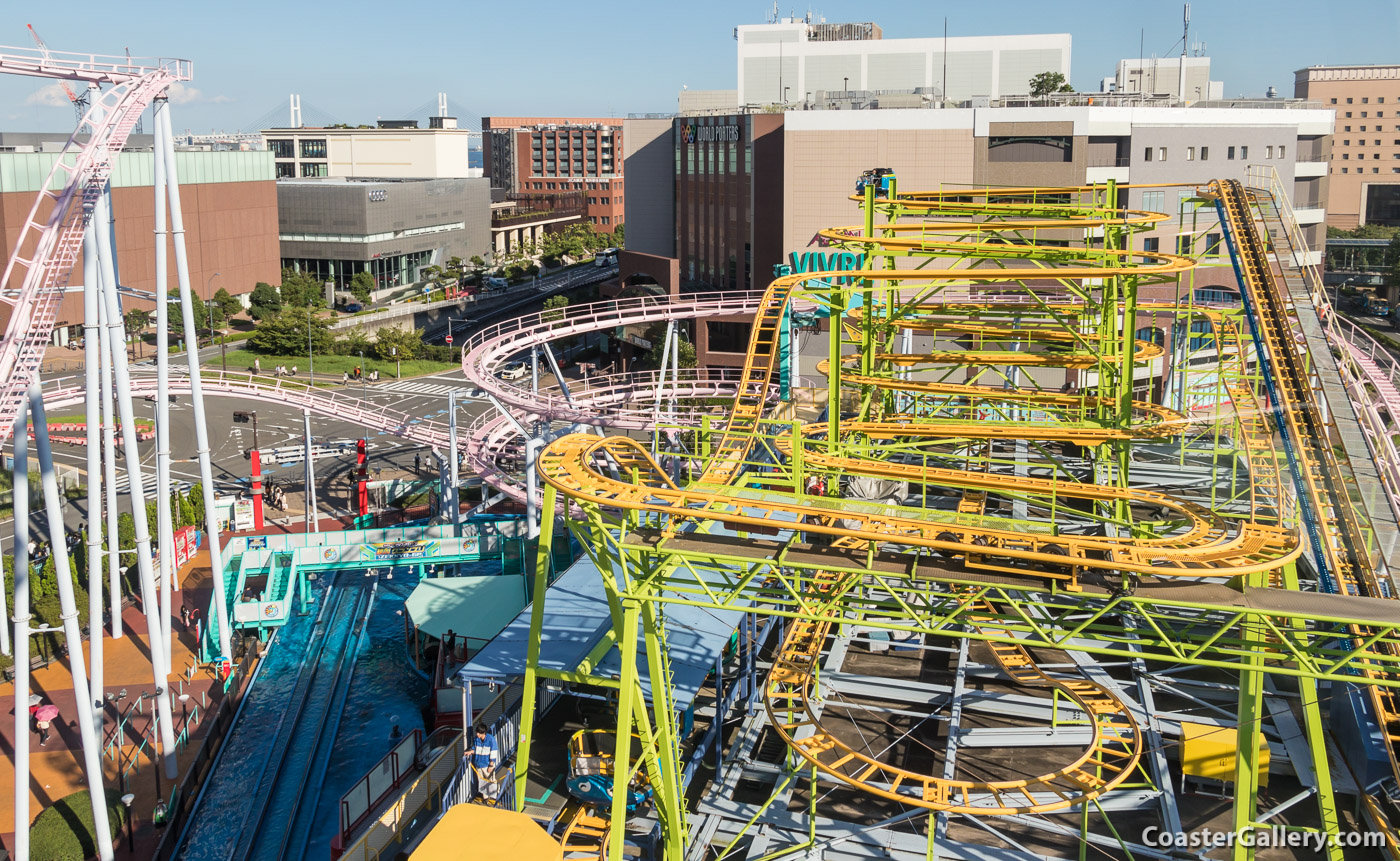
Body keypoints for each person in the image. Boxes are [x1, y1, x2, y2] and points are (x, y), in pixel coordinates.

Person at [470, 724, 500, 802]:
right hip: (478, 764)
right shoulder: (476, 739)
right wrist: (470, 752)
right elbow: (476, 749)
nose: (477, 734)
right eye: (477, 732)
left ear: (484, 733)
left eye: (479, 733)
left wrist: (491, 765)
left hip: (487, 764)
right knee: (481, 781)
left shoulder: (491, 739)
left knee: (491, 779)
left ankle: (496, 793)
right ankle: (485, 797)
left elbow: (493, 752)